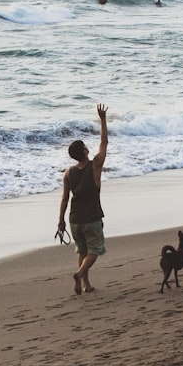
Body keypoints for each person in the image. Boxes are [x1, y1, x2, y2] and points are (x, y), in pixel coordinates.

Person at [58, 104, 108, 294]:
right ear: (85, 151)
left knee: (82, 251)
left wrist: (60, 220)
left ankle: (86, 285)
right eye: (86, 146)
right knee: (94, 250)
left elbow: (64, 199)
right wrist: (103, 119)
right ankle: (79, 275)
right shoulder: (95, 166)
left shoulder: (68, 173)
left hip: (74, 220)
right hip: (92, 218)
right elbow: (104, 142)